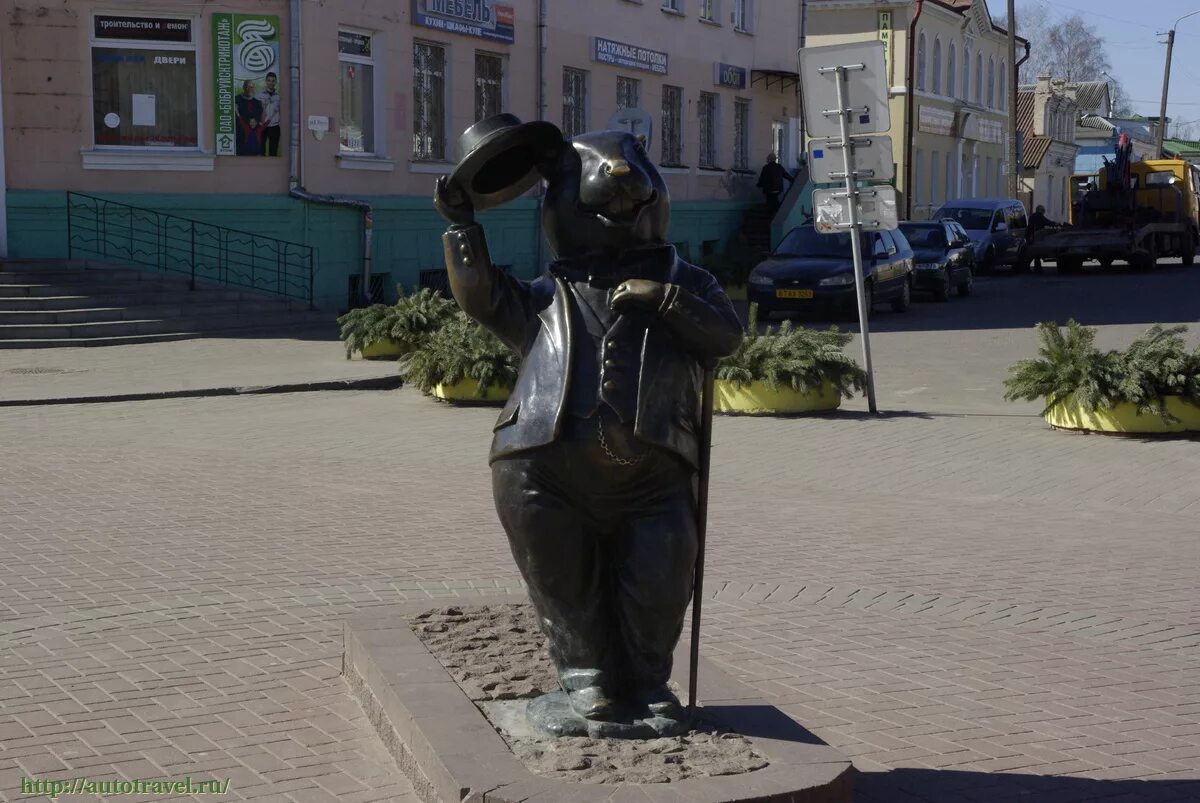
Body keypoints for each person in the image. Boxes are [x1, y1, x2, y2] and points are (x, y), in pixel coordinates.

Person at [235, 80, 264, 156]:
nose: (250, 89)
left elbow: (261, 120)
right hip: (240, 135)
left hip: (253, 137)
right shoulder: (236, 100)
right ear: (244, 87)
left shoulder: (257, 103)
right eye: (248, 87)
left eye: (252, 87)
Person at [257, 72, 282, 157]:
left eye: (273, 81)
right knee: (261, 151)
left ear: (276, 82)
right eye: (269, 80)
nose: (271, 83)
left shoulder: (279, 96)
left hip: (275, 127)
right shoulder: (260, 95)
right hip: (263, 126)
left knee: (273, 152)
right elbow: (257, 110)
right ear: (266, 81)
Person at [1027, 204, 1057, 273]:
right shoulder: (1039, 216)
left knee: (1033, 253)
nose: (1043, 212)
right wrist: (1055, 224)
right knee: (1036, 253)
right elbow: (1047, 222)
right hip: (1036, 236)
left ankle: (1033, 268)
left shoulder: (1032, 216)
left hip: (1030, 235)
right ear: (1040, 211)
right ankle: (1037, 268)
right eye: (1043, 211)